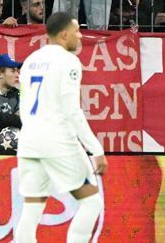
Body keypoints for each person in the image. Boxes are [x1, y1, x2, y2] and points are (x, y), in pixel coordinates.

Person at [14, 12, 107, 243]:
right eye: (77, 31)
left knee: (32, 208)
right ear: (64, 34)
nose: (81, 35)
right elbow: (72, 111)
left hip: (29, 141)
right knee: (91, 202)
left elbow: (25, 108)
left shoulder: (30, 62)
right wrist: (96, 149)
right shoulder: (68, 62)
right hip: (57, 140)